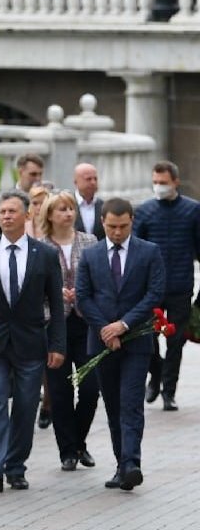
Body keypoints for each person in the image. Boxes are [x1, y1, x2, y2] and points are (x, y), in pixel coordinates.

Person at [0, 190, 66, 492]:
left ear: (27, 215)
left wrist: (57, 345)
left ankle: (16, 466)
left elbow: (56, 304)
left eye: (12, 211)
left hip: (31, 342)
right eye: (2, 212)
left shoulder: (45, 254)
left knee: (25, 406)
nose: (6, 216)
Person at [76, 198, 165, 490]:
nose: (117, 232)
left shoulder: (149, 252)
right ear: (102, 222)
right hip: (102, 343)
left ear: (132, 222)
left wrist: (123, 325)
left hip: (137, 341)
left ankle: (131, 463)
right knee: (113, 405)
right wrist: (105, 329)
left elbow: (154, 294)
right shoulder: (90, 255)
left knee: (131, 403)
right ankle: (121, 465)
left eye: (123, 226)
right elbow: (83, 297)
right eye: (112, 226)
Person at [37, 191, 100, 471]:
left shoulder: (90, 241)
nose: (68, 213)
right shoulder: (40, 247)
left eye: (71, 208)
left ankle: (79, 442)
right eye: (61, 209)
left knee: (90, 389)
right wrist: (55, 295)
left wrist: (83, 294)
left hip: (85, 323)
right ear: (50, 215)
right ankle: (68, 451)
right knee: (60, 391)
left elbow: (99, 279)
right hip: (54, 325)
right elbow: (33, 290)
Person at [134, 161, 200, 411]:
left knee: (176, 341)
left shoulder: (193, 210)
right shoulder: (145, 211)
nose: (159, 186)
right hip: (151, 288)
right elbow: (136, 251)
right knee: (147, 337)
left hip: (181, 286)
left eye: (163, 182)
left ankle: (169, 391)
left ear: (175, 182)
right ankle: (156, 371)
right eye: (155, 182)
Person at [74, 163, 103, 237]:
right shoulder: (68, 205)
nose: (93, 182)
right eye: (88, 179)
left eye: (95, 179)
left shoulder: (103, 206)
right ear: (76, 182)